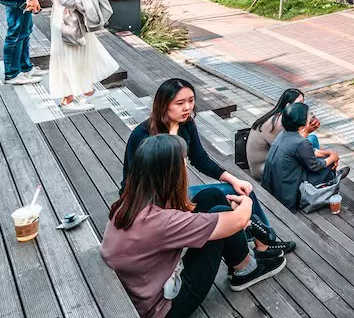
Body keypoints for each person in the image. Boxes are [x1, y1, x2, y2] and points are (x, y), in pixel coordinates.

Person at [101, 134, 286, 318]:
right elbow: (238, 220)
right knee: (221, 211)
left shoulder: (127, 204)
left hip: (141, 290)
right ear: (170, 175)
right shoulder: (160, 222)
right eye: (184, 163)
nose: (186, 168)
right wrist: (246, 203)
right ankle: (247, 268)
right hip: (162, 309)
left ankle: (242, 264)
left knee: (210, 196)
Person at [122, 78, 295, 257]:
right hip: (152, 203)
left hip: (178, 193)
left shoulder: (186, 123)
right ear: (163, 105)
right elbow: (139, 183)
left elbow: (200, 158)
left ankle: (264, 243)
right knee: (221, 207)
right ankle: (247, 247)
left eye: (191, 100)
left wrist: (234, 179)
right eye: (180, 103)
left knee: (242, 190)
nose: (187, 107)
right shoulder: (142, 136)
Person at [49, 0, 120, 112]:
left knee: (78, 53)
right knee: (71, 56)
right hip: (70, 19)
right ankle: (68, 99)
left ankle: (86, 90)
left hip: (60, 16)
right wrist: (91, 0)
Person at [261, 103, 347, 212]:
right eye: (307, 116)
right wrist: (333, 158)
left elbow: (305, 152)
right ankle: (328, 188)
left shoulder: (283, 134)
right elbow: (315, 166)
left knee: (324, 160)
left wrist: (327, 154)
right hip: (288, 194)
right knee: (327, 166)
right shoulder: (301, 142)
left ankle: (331, 180)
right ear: (301, 124)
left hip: (275, 187)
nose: (310, 117)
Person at [246, 88, 339, 181]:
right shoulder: (278, 124)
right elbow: (295, 148)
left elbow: (295, 144)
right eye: (300, 103)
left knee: (313, 138)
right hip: (264, 170)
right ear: (288, 106)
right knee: (310, 151)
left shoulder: (281, 117)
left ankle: (325, 171)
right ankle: (324, 174)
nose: (302, 106)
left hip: (271, 161)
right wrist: (306, 130)